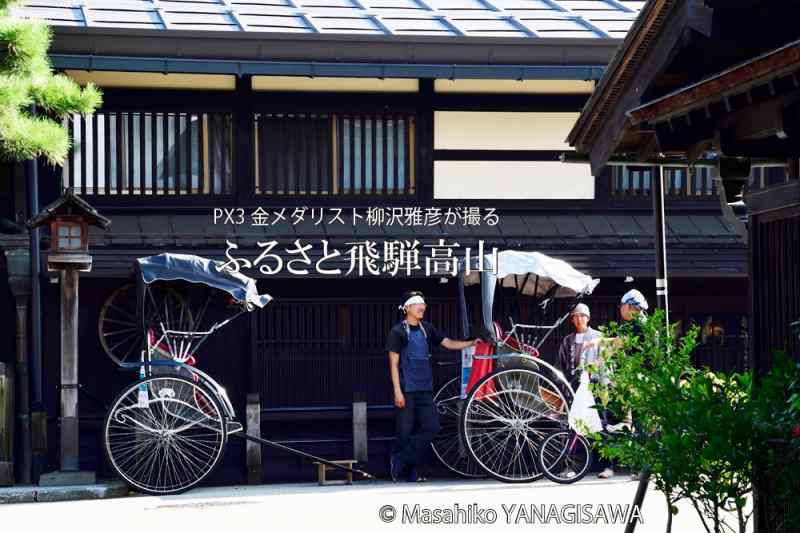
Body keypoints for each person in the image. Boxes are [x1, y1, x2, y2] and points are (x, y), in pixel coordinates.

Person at [385, 290, 477, 482]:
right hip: (406, 389)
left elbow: (449, 343)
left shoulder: (427, 328)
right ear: (407, 308)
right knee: (405, 432)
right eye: (418, 303)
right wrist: (397, 391)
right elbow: (393, 364)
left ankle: (400, 459)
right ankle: (411, 472)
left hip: (425, 387)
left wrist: (472, 343)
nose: (423, 307)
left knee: (432, 427)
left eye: (423, 303)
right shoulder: (398, 332)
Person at [587, 288, 649, 479]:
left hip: (641, 381)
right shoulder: (628, 325)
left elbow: (619, 343)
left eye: (622, 306)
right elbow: (613, 350)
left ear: (631, 306)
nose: (621, 309)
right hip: (625, 381)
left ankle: (643, 468)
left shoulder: (642, 324)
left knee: (640, 424)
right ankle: (619, 466)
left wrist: (597, 342)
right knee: (618, 421)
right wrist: (596, 364)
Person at [557, 303, 602, 389]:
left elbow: (604, 360)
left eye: (582, 316)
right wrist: (562, 384)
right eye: (576, 316)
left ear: (588, 318)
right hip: (572, 384)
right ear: (572, 320)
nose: (579, 319)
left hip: (593, 384)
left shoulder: (598, 336)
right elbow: (560, 364)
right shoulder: (567, 340)